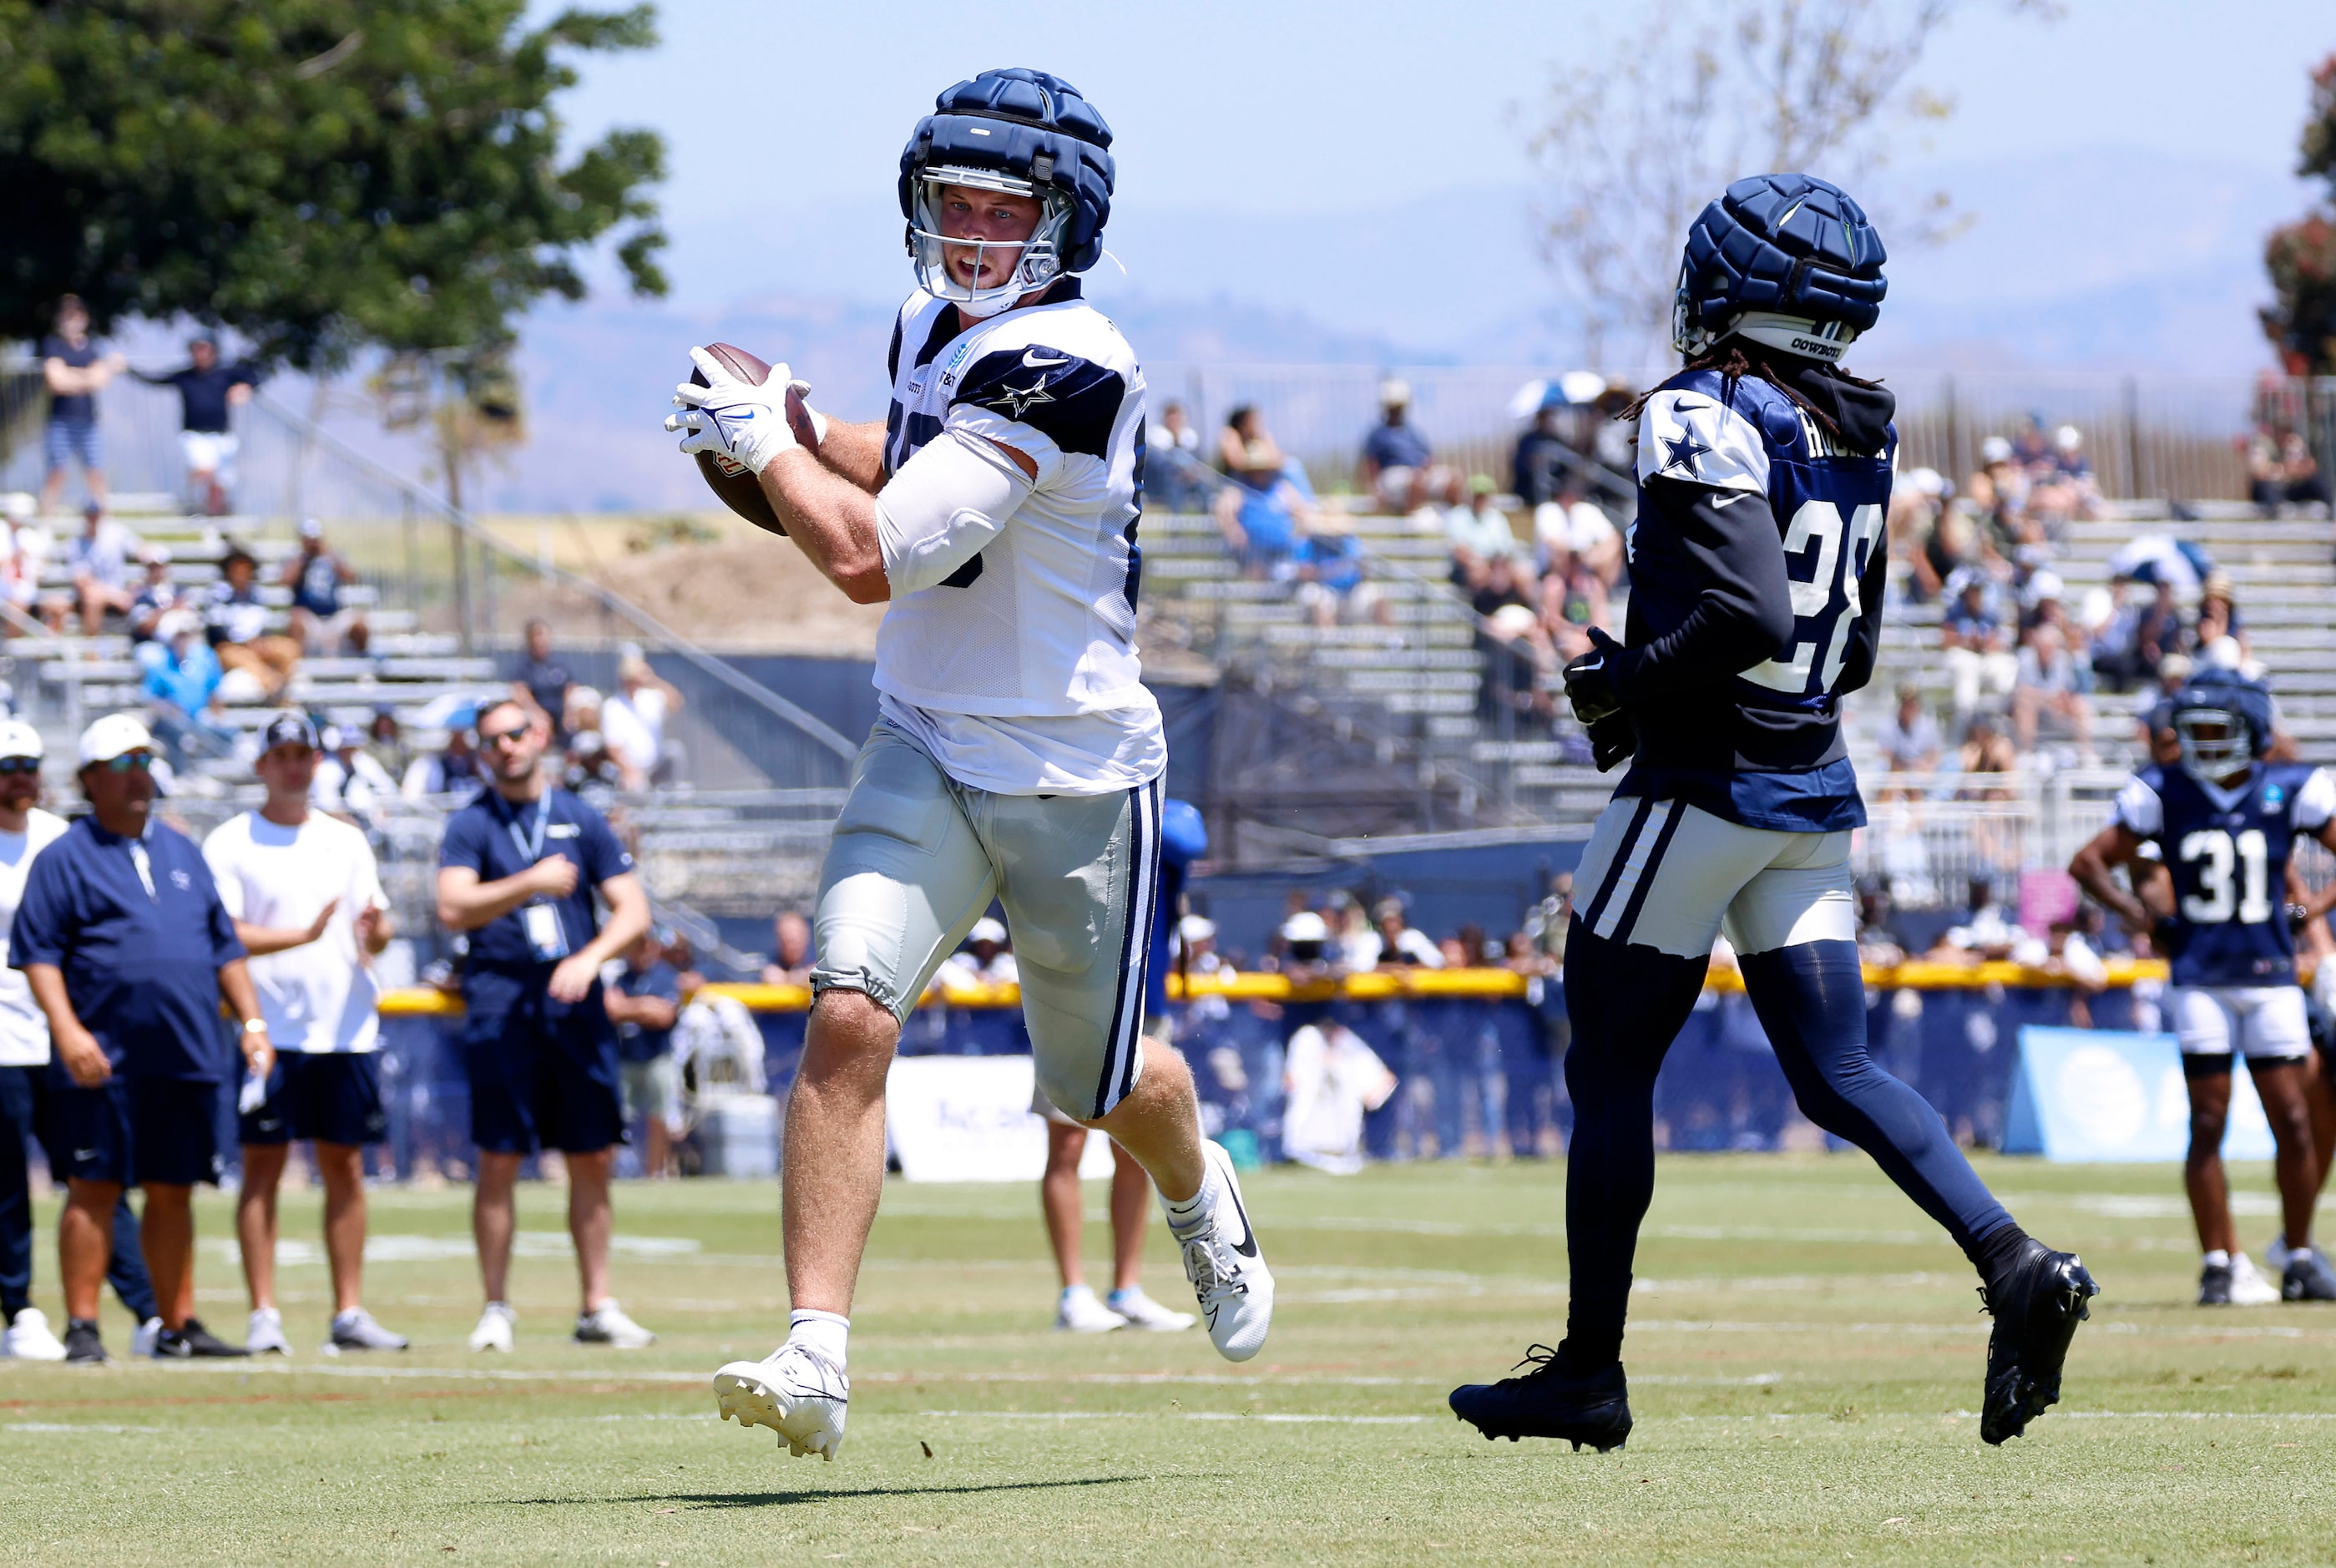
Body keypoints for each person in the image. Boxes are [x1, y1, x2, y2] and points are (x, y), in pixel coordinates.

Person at [669, 68, 1271, 1462]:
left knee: (1097, 1085)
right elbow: (909, 461)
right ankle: (815, 1348)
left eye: (1005, 209)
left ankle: (1193, 1187)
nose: (974, 232)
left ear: (1067, 220)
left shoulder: (1073, 360)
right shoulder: (930, 321)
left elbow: (872, 553)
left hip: (1069, 765)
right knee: (847, 1009)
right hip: (925, 736)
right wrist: (804, 436)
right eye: (954, 204)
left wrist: (769, 449)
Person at [1449, 174, 2096, 1454]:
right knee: (1838, 1069)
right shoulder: (1860, 421)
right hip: (1807, 781)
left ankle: (1588, 1368)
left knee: (1606, 1064)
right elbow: (1842, 652)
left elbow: (1748, 612)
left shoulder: (1700, 409)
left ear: (1735, 290)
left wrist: (1624, 677)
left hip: (1701, 787)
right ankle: (2013, 1262)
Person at [10, 713, 274, 1362]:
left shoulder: (183, 850)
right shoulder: (63, 857)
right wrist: (67, 1030)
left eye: (145, 763)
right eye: (123, 765)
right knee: (94, 1185)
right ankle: (83, 1326)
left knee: (174, 1187)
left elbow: (224, 946)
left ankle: (173, 1324)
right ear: (90, 779)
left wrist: (253, 1023)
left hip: (185, 1053)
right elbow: (39, 953)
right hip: (104, 1054)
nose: (139, 777)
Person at [2070, 675, 2336, 1305]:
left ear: (2252, 731)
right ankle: (2219, 1262)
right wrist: (2146, 921)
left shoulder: (2289, 785)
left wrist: (2312, 912)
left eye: (2217, 730)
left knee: (2295, 1122)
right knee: (2208, 1121)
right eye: (2193, 733)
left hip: (2269, 977)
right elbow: (2087, 862)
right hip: (2200, 979)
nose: (2204, 744)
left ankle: (2297, 1254)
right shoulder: (2163, 789)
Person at [434, 697, 656, 1353]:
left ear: (539, 736)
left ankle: (597, 1303)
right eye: (491, 739)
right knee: (499, 1156)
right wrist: (528, 881)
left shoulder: (580, 817)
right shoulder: (471, 824)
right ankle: (496, 1307)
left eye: (513, 734)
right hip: (501, 1002)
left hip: (574, 1004)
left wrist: (590, 958)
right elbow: (452, 904)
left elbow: (633, 911)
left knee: (591, 1156)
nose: (504, 747)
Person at [202, 713, 407, 1354]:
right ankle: (264, 1314)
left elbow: (378, 929)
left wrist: (374, 931)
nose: (294, 765)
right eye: (282, 754)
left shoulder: (345, 840)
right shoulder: (232, 841)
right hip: (271, 1028)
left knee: (344, 1166)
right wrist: (300, 936)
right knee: (262, 1169)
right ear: (263, 765)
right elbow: (222, 934)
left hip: (343, 1029)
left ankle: (349, 1312)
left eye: (304, 754)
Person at [0, 721, 161, 1361]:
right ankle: (21, 1311)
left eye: (29, 764)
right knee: (10, 1183)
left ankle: (147, 1310)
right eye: (7, 764)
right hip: (4, 1040)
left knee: (96, 1177)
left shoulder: (60, 840)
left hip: (69, 1037)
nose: (20, 776)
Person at [1034, 798, 1209, 1336]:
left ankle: (1126, 1288)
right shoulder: (1065, 816)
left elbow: (1188, 838)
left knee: (1137, 1150)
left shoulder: (1161, 813)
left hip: (1144, 1006)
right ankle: (1073, 1294)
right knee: (1066, 1147)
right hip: (1071, 1000)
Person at [129, 336, 257, 517]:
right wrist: (127, 368)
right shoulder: (185, 377)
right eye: (196, 349)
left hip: (222, 437)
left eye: (204, 349)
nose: (200, 354)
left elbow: (255, 377)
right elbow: (155, 379)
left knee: (220, 483)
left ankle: (213, 514)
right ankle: (194, 501)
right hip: (194, 435)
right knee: (205, 468)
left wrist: (243, 389)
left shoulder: (225, 374)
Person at [605, 930, 683, 1179]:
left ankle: (654, 1172)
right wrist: (644, 1007)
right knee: (616, 1119)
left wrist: (628, 1007)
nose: (642, 951)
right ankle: (612, 1174)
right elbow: (611, 1010)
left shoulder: (665, 976)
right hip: (626, 1057)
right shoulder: (622, 978)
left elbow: (664, 1015)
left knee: (658, 1117)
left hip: (656, 1056)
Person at [38, 296, 125, 517]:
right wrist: (87, 376)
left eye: (75, 316)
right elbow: (57, 381)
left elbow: (100, 381)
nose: (71, 322)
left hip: (88, 421)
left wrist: (72, 376)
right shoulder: (52, 344)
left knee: (95, 471)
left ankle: (105, 520)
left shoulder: (92, 348)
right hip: (60, 420)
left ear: (84, 319)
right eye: (66, 316)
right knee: (57, 471)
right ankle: (46, 521)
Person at [205, 545, 301, 700]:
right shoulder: (218, 593)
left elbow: (262, 622)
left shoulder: (257, 594)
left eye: (246, 568)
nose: (242, 573)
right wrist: (242, 644)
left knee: (289, 648)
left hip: (256, 643)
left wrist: (259, 642)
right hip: (229, 646)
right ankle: (275, 687)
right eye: (238, 568)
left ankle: (285, 688)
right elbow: (215, 628)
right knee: (246, 658)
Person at [140, 610, 234, 766]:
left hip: (200, 721)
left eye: (187, 634)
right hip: (173, 726)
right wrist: (170, 710)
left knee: (228, 733)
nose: (184, 639)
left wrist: (217, 717)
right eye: (179, 634)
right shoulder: (159, 662)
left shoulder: (204, 656)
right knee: (176, 731)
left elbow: (215, 691)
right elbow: (150, 697)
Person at [282, 519, 368, 655]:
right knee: (295, 619)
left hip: (333, 616)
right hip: (308, 618)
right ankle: (297, 669)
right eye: (308, 539)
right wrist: (303, 559)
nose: (312, 543)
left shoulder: (332, 557)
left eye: (315, 539)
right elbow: (286, 581)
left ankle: (363, 665)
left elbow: (352, 578)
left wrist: (330, 556)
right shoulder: (296, 559)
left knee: (359, 621)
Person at [601, 653, 682, 791]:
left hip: (656, 764)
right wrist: (629, 770)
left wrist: (652, 679)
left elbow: (676, 701)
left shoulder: (649, 698)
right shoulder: (613, 706)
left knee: (674, 751)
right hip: (631, 768)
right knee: (638, 791)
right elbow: (613, 746)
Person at [1360, 378, 1433, 513]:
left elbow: (1427, 458)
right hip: (1393, 477)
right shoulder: (1378, 435)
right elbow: (1370, 464)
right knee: (1416, 484)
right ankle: (1410, 524)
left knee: (1453, 483)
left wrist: (1423, 473)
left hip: (1419, 475)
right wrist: (1375, 489)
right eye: (1393, 408)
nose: (1397, 412)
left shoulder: (1414, 432)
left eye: (1400, 408)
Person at [64, 499, 136, 638]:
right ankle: (91, 651)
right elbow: (82, 581)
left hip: (118, 595)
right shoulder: (75, 544)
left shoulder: (117, 534)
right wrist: (114, 594)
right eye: (90, 514)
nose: (93, 518)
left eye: (96, 514)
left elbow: (141, 551)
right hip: (94, 597)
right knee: (92, 597)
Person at [510, 620, 574, 742]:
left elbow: (570, 687)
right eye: (536, 635)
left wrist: (569, 711)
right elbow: (520, 690)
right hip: (537, 711)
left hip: (560, 711)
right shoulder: (524, 665)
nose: (540, 639)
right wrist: (536, 712)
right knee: (539, 725)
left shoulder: (559, 662)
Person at [762, 910, 813, 984]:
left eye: (797, 940)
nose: (794, 947)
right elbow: (771, 976)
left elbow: (812, 976)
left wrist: (787, 978)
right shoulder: (771, 963)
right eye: (789, 941)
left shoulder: (817, 962)